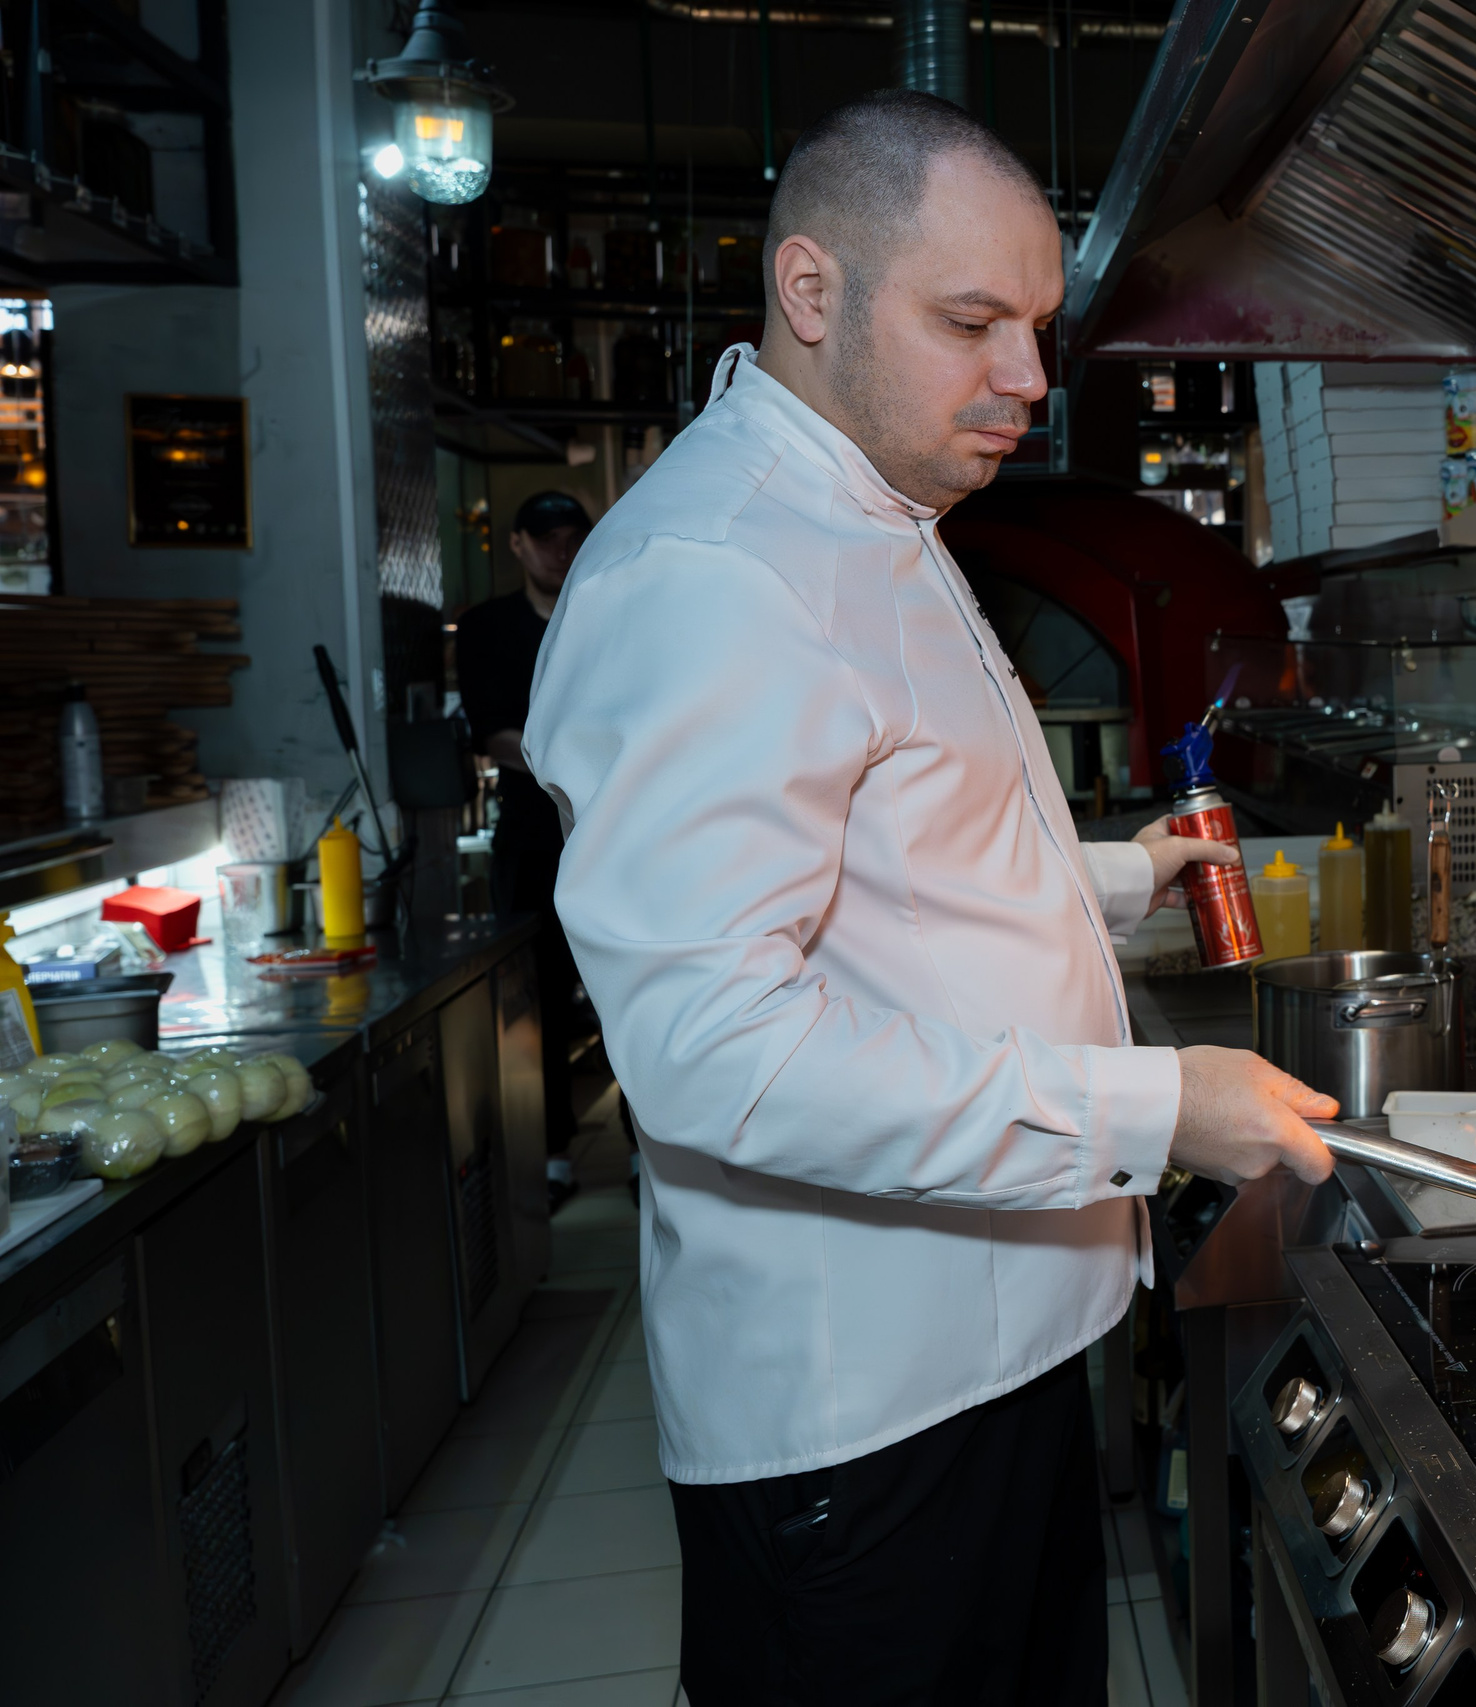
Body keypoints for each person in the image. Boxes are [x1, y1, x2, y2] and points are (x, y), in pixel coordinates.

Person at [522, 90, 1337, 1703]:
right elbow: (720, 1051)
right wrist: (1152, 1102)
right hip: (863, 1432)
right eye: (973, 323)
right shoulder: (715, 575)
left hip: (1002, 1367)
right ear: (811, 290)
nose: (1029, 379)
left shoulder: (879, 517)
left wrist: (1122, 883)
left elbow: (894, 857)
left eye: (1036, 326)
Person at [455, 489, 589, 1211]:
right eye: (546, 539)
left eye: (572, 537)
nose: (560, 551)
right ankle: (555, 1153)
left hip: (608, 828)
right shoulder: (487, 627)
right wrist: (568, 761)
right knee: (535, 1000)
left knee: (618, 991)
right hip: (532, 833)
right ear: (516, 545)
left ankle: (646, 1156)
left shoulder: (609, 614)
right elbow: (490, 731)